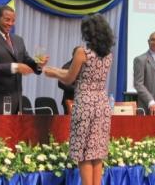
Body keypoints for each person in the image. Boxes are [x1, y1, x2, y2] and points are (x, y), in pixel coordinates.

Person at [44, 13, 114, 185]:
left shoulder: (82, 52)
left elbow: (69, 78)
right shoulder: (108, 55)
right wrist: (55, 70)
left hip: (85, 104)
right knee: (96, 153)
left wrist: (53, 73)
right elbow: (80, 76)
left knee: (83, 153)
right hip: (102, 104)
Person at [0, 5, 48, 114]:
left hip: (16, 102)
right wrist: (15, 67)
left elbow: (25, 59)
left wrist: (38, 64)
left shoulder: (18, 40)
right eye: (7, 20)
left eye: (13, 20)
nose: (10, 23)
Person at [58, 46, 79, 114]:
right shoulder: (67, 66)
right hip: (69, 100)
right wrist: (77, 89)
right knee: (69, 123)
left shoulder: (83, 66)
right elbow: (61, 83)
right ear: (75, 55)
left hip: (80, 101)